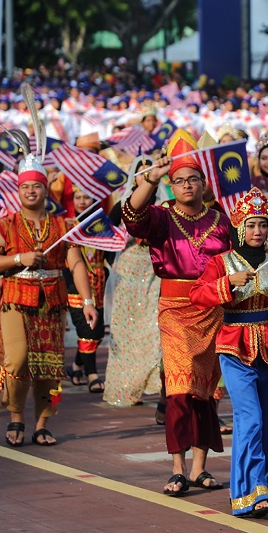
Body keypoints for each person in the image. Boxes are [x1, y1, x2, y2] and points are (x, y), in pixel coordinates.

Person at [123, 142, 231, 495]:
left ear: (203, 183)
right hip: (175, 308)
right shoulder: (161, 215)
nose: (187, 185)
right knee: (180, 390)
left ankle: (200, 468)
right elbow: (132, 218)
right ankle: (177, 468)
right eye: (179, 180)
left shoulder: (220, 220)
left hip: (214, 308)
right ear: (171, 184)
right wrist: (150, 180)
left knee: (207, 391)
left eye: (193, 179)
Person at [190, 188, 268, 517]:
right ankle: (250, 490)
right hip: (234, 347)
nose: (257, 231)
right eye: (251, 225)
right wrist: (228, 283)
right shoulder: (222, 262)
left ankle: (261, 485)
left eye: (262, 225)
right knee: (249, 419)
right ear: (240, 228)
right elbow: (198, 295)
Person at [0, 153, 98, 447]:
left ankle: (42, 423)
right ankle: (16, 415)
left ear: (45, 190)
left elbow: (76, 264)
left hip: (52, 301)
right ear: (18, 190)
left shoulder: (63, 225)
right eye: (25, 186)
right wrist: (19, 258)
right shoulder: (7, 225)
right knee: (18, 358)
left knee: (50, 364)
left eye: (36, 186)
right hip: (15, 297)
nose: (31, 191)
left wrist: (88, 301)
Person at [103, 158, 163, 408]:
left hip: (154, 271)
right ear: (134, 178)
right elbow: (106, 235)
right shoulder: (121, 207)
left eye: (150, 173)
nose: (144, 177)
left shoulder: (163, 208)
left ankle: (157, 385)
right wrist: (110, 265)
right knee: (126, 330)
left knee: (155, 328)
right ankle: (125, 388)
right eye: (141, 174)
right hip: (128, 271)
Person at [63, 186, 108, 394]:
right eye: (78, 197)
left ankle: (77, 367)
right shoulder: (66, 225)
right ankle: (92, 375)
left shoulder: (101, 224)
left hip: (98, 284)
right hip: (75, 285)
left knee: (97, 332)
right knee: (86, 330)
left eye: (86, 198)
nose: (82, 201)